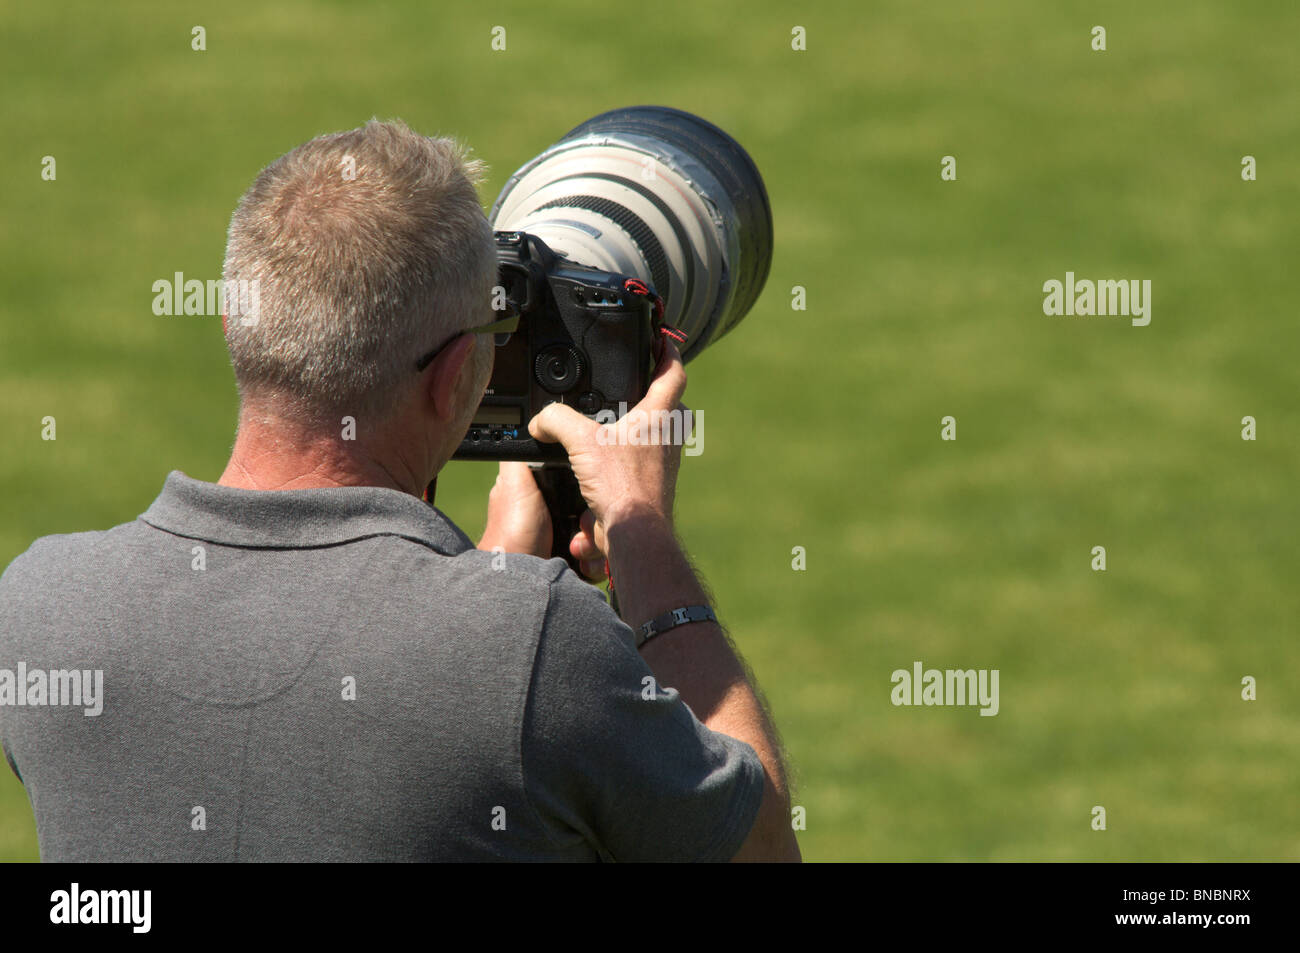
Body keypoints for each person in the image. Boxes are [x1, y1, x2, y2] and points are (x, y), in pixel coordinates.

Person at [0, 119, 800, 862]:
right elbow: (759, 848)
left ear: (234, 323)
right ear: (456, 380)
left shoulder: (41, 608)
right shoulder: (531, 644)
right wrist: (641, 529)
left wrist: (482, 576)